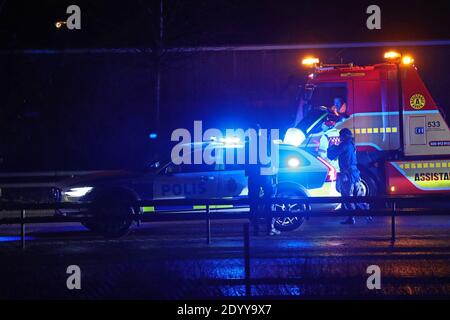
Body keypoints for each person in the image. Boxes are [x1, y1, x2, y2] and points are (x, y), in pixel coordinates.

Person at [327, 128, 369, 224]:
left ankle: (351, 217)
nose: (339, 137)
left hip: (347, 175)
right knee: (358, 196)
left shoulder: (344, 145)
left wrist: (330, 146)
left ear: (344, 136)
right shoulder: (352, 145)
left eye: (340, 135)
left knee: (346, 196)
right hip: (355, 174)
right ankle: (368, 214)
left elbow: (331, 156)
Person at [245, 132, 280, 236]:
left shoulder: (248, 144)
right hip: (266, 176)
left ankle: (256, 229)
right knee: (269, 202)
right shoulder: (269, 143)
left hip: (253, 177)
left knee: (253, 203)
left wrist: (249, 173)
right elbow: (275, 160)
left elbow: (244, 161)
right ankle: (270, 228)